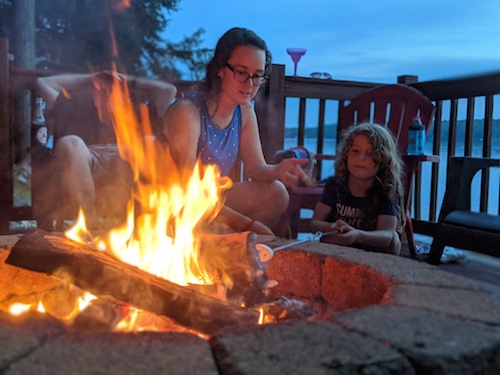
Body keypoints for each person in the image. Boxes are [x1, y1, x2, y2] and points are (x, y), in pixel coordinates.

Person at [162, 27, 308, 236]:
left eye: (257, 76)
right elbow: (189, 190)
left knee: (277, 193)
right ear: (220, 69)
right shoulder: (188, 112)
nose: (250, 84)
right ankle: (215, 247)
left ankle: (225, 246)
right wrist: (247, 225)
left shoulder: (244, 111)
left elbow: (255, 168)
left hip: (212, 203)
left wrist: (278, 170)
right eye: (241, 72)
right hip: (175, 206)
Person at [34, 71, 177, 230]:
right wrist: (90, 78)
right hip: (86, 164)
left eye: (113, 89)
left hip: (129, 167)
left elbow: (169, 91)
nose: (107, 93)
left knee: (150, 142)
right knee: (71, 143)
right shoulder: (75, 112)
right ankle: (89, 223)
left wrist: (127, 80)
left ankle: (150, 224)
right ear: (94, 96)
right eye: (101, 90)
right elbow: (44, 82)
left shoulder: (139, 114)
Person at [310, 123, 405, 255]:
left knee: (394, 239)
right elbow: (315, 224)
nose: (361, 158)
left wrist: (357, 235)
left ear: (384, 160)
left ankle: (386, 273)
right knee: (327, 236)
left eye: (370, 153)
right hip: (339, 248)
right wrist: (331, 226)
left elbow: (386, 235)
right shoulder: (335, 185)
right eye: (355, 151)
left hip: (371, 249)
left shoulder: (386, 190)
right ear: (346, 154)